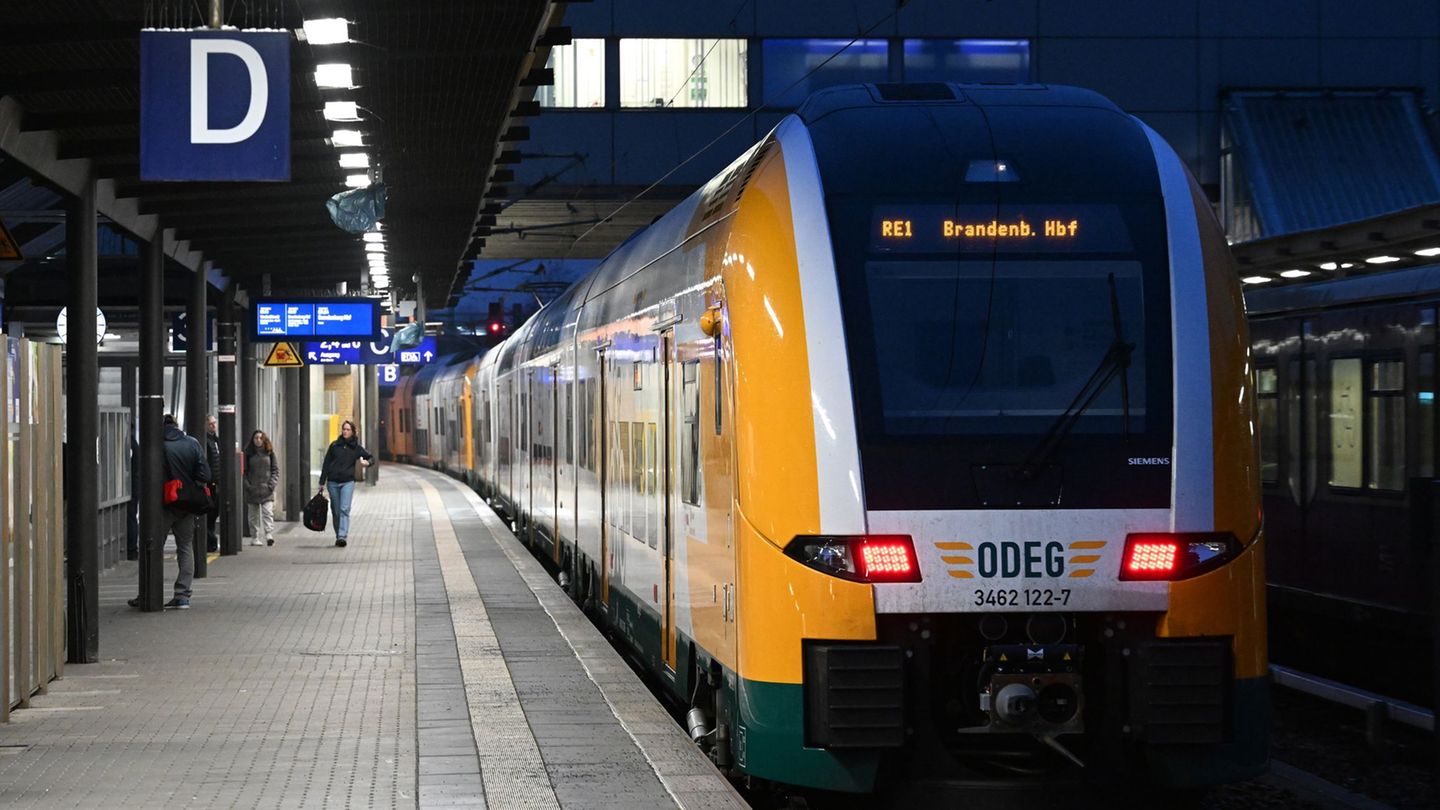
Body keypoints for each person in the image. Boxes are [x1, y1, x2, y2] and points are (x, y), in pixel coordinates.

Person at [129, 413, 209, 610]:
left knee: (154, 545)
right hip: (187, 503)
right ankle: (182, 595)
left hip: (162, 503)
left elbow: (146, 474)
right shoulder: (192, 443)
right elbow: (205, 474)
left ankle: (149, 593)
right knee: (185, 546)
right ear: (177, 425)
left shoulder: (156, 445)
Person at [318, 420, 372, 548]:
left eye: (348, 430)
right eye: (344, 429)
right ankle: (339, 535)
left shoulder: (356, 448)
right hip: (333, 482)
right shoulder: (334, 446)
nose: (345, 432)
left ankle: (342, 536)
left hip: (348, 482)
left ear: (352, 432)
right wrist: (322, 482)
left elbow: (371, 457)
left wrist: (367, 463)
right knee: (336, 511)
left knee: (344, 509)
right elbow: (326, 464)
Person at [243, 430, 280, 547]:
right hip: (252, 489)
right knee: (253, 516)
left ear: (264, 440)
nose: (258, 440)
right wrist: (247, 485)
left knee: (268, 512)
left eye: (260, 438)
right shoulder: (248, 453)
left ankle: (269, 535)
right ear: (252, 440)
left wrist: (271, 485)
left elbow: (275, 470)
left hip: (266, 489)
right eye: (256, 438)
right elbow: (244, 472)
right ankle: (255, 537)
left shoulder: (269, 452)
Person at [204, 415, 221, 553]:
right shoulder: (205, 441)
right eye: (211, 424)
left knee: (214, 512)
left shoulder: (216, 440)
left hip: (217, 482)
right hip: (210, 483)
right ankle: (210, 541)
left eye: (215, 423)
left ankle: (211, 540)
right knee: (210, 513)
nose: (214, 426)